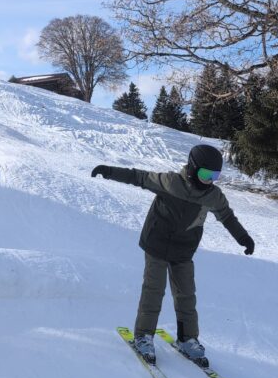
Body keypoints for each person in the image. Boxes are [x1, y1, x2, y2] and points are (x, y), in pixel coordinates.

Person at [91, 144, 254, 366]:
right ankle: (143, 336)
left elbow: (227, 217)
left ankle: (188, 339)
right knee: (154, 290)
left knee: (186, 294)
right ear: (193, 169)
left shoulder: (213, 196)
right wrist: (109, 171)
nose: (209, 181)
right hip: (156, 245)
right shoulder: (170, 182)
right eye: (205, 174)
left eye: (214, 176)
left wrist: (243, 238)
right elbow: (138, 177)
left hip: (183, 250)